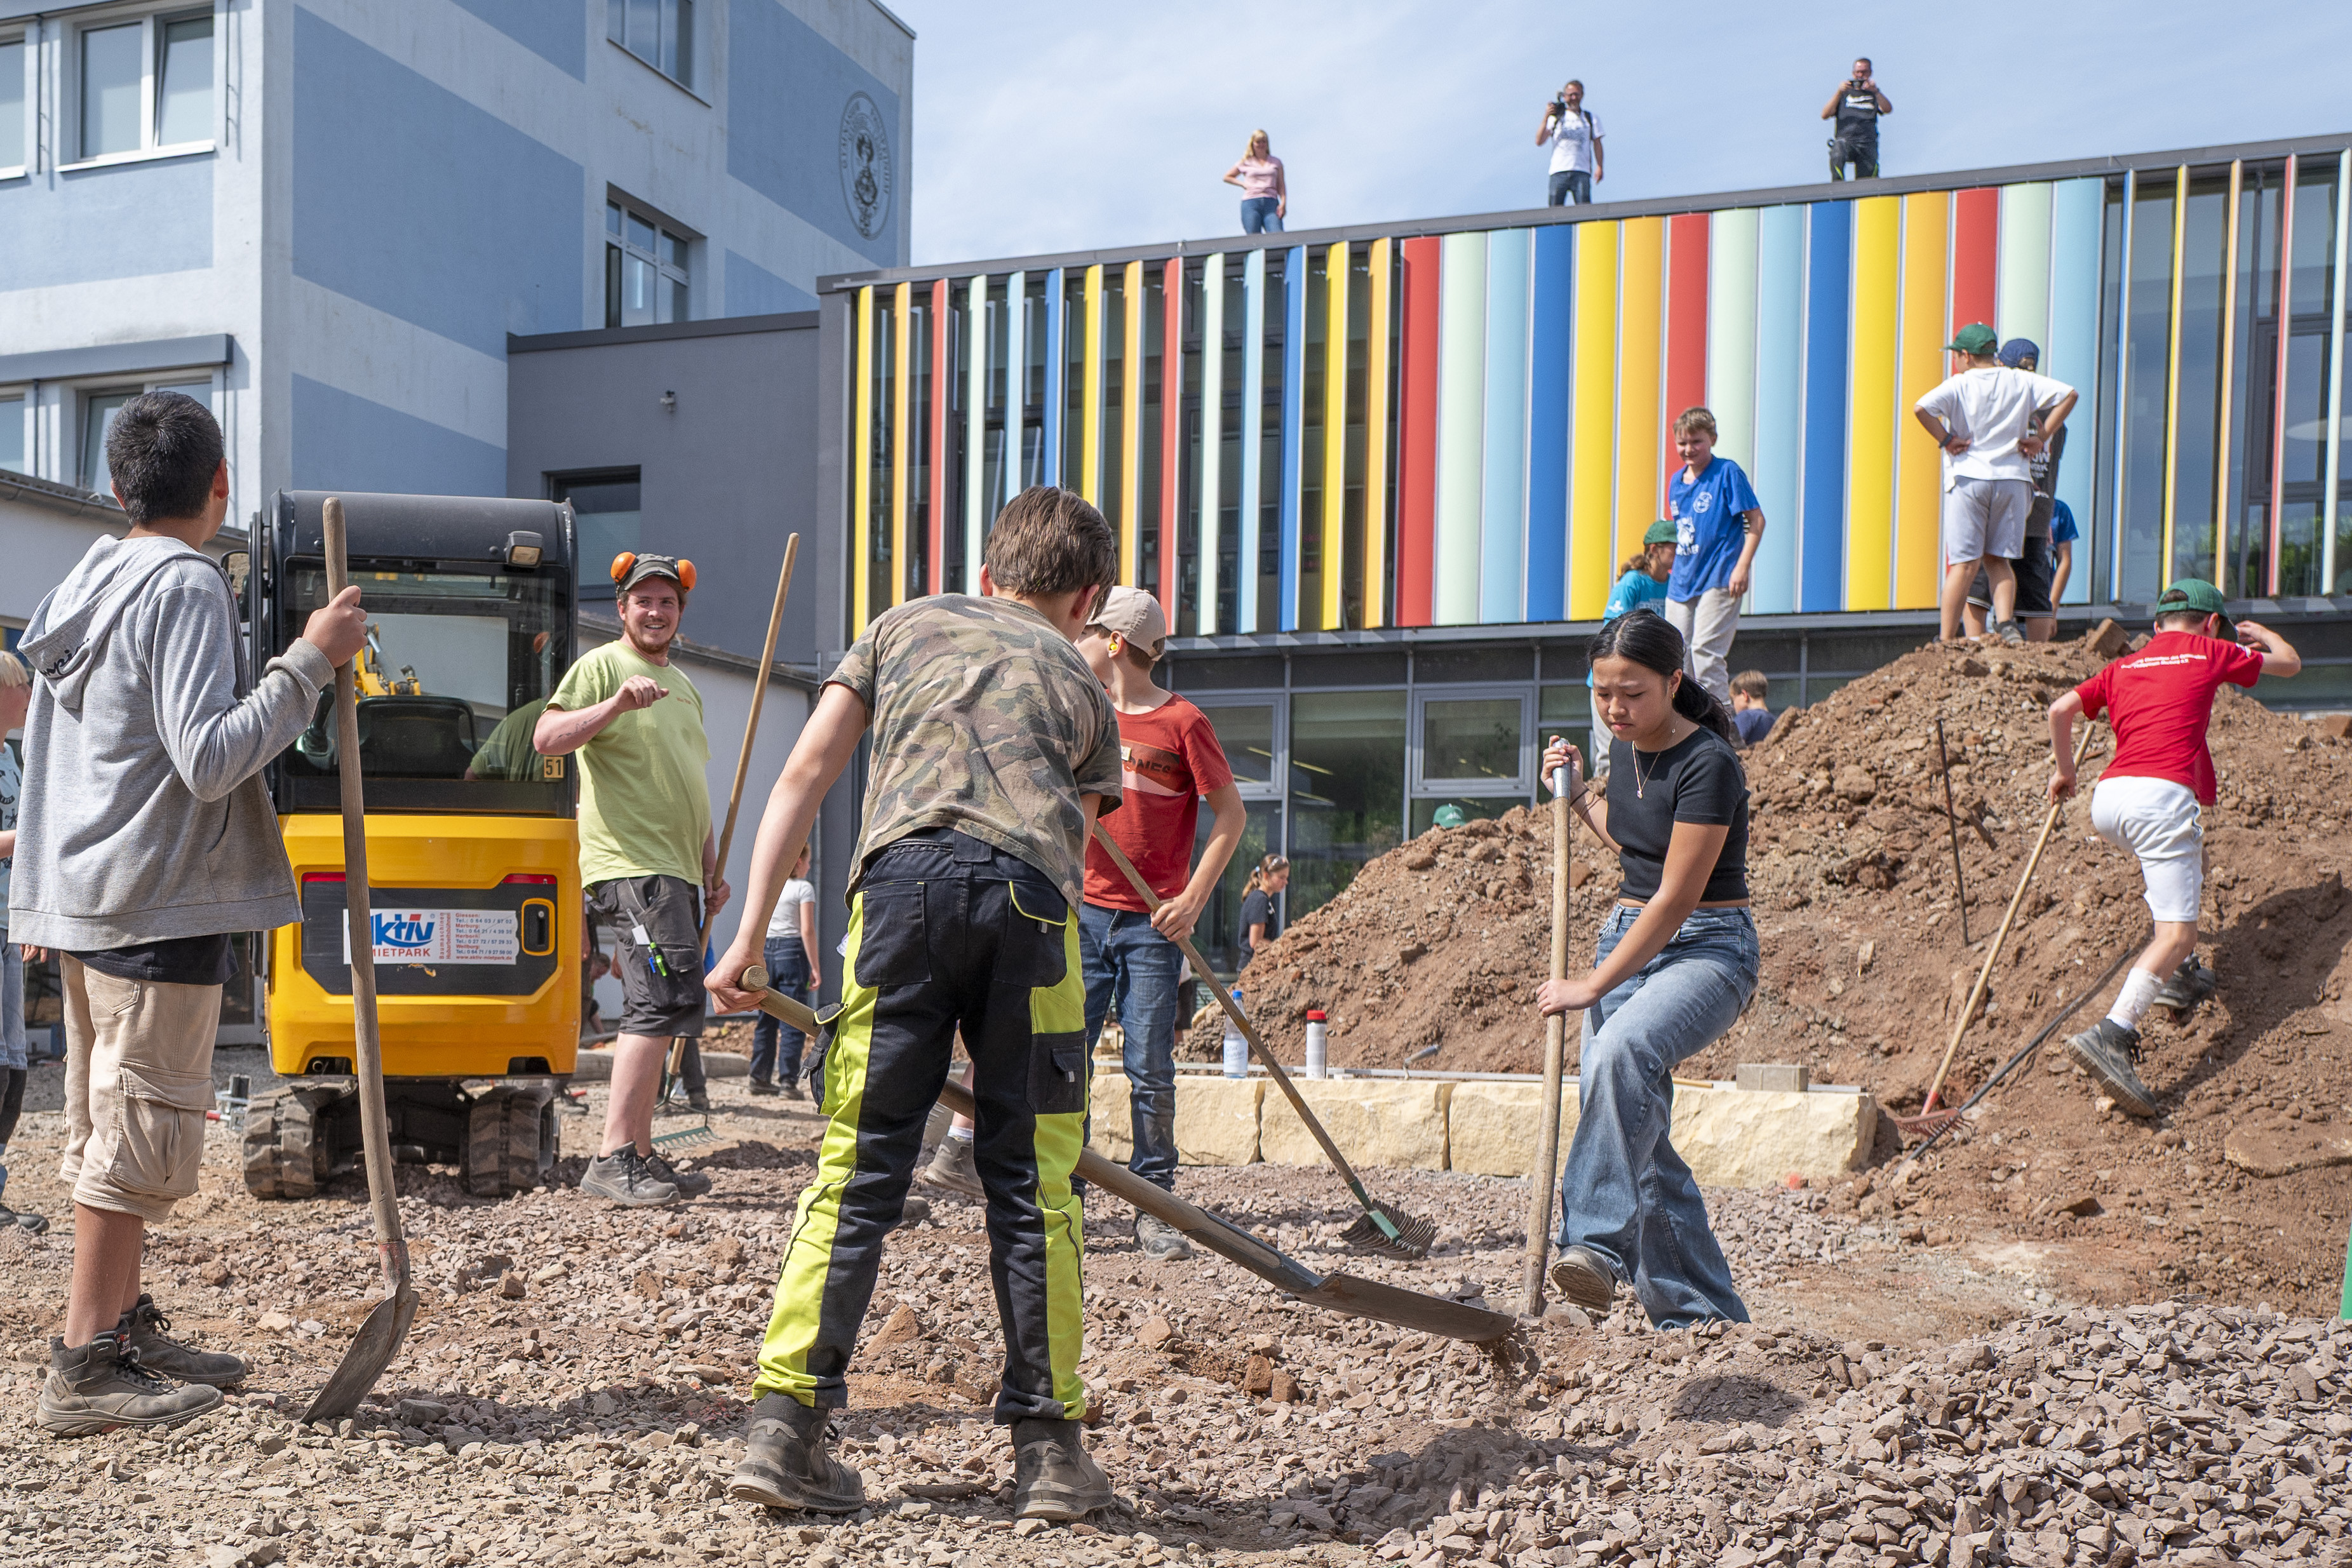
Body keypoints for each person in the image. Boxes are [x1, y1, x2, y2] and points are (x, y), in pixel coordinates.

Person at [705, 485, 1124, 1522]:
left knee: (857, 1162)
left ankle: (783, 1425)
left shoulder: (901, 624)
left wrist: (750, 933)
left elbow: (805, 768)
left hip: (897, 891)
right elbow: (1079, 837)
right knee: (1036, 1183)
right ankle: (1050, 1452)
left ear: (987, 575)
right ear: (1090, 596)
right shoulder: (1082, 675)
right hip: (1029, 899)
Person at [11, 391, 367, 1436]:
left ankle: (121, 1323)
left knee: (100, 1120)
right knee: (137, 1130)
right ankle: (87, 1362)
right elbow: (210, 757)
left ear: (119, 489)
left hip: (88, 893)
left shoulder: (88, 576)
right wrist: (310, 659)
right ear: (219, 487)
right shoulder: (183, 584)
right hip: (155, 894)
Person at [1534, 609, 1754, 1327]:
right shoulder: (1621, 752)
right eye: (1602, 693)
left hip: (1708, 945)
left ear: (1672, 681)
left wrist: (1591, 987)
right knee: (1638, 1133)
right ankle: (1702, 1315)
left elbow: (1678, 894)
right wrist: (1572, 793)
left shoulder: (1709, 764)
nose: (1614, 708)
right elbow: (1632, 842)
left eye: (1631, 692)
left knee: (1623, 1054)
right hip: (1628, 931)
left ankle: (1593, 1245)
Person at [2046, 582, 2300, 1116]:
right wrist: (2261, 634)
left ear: (2158, 625)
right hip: (2160, 798)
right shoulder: (2210, 649)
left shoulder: (2125, 666)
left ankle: (2177, 974)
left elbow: (2060, 708)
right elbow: (2289, 664)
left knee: (2189, 859)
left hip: (2108, 801)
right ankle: (2112, 1033)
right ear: (2209, 624)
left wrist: (2064, 772)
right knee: (2178, 932)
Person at [534, 553, 729, 1207]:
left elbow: (690, 784)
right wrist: (616, 704)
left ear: (680, 612)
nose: (655, 611)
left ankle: (642, 1158)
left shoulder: (687, 688)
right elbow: (548, 738)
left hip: (674, 873)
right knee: (651, 1005)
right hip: (631, 866)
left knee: (671, 1004)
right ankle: (614, 1158)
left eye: (666, 602)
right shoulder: (602, 668)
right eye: (642, 600)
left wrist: (708, 868)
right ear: (621, 609)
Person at [1066, 587, 1245, 1262]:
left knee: (1149, 1066)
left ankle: (1156, 1202)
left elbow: (1230, 817)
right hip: (1082, 914)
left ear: (1114, 642)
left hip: (1152, 924)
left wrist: (1193, 898)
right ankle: (1065, 1195)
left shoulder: (1182, 723)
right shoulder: (1085, 717)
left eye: (1090, 634)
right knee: (1066, 1064)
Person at [1913, 324, 2076, 645]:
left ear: (1966, 356)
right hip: (2012, 481)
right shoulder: (2020, 380)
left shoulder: (1960, 384)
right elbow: (2070, 394)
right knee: (1999, 560)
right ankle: (2006, 625)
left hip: (1971, 478)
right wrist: (2041, 438)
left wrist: (1946, 439)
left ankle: (1945, 640)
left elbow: (1921, 408)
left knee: (1964, 564)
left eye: (1957, 355)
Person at [1963, 338, 2071, 643]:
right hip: (2038, 511)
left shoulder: (2005, 407)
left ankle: (1977, 648)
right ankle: (2038, 655)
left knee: (1983, 578)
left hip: (2002, 504)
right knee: (2035, 584)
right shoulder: (2054, 416)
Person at [1663, 407, 1766, 707]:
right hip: (1682, 582)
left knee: (1706, 651)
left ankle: (1721, 721)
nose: (1688, 449)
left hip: (1720, 575)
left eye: (1696, 442)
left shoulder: (1726, 472)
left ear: (1712, 439)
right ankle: (1691, 718)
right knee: (1676, 656)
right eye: (1682, 443)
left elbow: (1756, 521)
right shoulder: (1676, 481)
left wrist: (1742, 566)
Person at [0, 652, 47, 1236]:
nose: (33, 695)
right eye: (24, 686)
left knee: (11, 1063)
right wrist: (31, 834)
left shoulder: (11, 758)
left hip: (9, 928)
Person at [1590, 521, 1677, 775]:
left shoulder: (1674, 585)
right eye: (1674, 547)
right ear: (1655, 549)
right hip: (1618, 679)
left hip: (1648, 680)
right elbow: (1612, 630)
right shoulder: (1633, 582)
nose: (1680, 553)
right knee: (1610, 750)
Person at [749, 845, 822, 1099]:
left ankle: (759, 1077)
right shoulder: (804, 888)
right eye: (808, 861)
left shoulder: (772, 886)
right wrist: (814, 966)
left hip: (767, 952)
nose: (810, 866)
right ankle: (788, 1083)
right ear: (799, 861)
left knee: (766, 1019)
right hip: (792, 953)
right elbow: (807, 930)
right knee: (792, 1020)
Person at [1536, 80, 1605, 206]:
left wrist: (1600, 166)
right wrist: (1546, 116)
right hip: (1559, 171)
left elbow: (1597, 143)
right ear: (1565, 96)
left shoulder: (1590, 118)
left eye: (1577, 95)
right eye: (1571, 94)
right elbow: (1539, 141)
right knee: (1554, 213)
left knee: (1584, 210)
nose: (1574, 98)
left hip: (1581, 170)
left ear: (1582, 95)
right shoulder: (1556, 118)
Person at [1820, 58, 1891, 180]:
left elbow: (1887, 109)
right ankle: (1838, 186)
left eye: (1864, 72)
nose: (1860, 75)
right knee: (1838, 150)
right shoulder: (1843, 95)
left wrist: (1876, 91)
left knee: (1868, 181)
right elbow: (1825, 115)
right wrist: (1839, 92)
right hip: (1846, 140)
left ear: (1870, 73)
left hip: (1867, 143)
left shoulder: (1873, 95)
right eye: (1857, 72)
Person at [1223, 131, 1286, 235]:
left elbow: (1281, 185)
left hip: (1271, 202)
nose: (1261, 145)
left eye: (1264, 142)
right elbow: (1227, 177)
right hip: (1251, 202)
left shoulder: (1276, 162)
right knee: (1253, 237)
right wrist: (1243, 184)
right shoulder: (1246, 161)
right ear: (1253, 144)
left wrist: (1283, 203)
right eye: (1258, 142)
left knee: (1277, 234)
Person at [1236, 854, 1289, 968]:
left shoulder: (1262, 899)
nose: (1286, 882)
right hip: (1252, 967)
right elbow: (1256, 942)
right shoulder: (1260, 900)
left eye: (1286, 878)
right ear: (1266, 876)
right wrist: (1283, 947)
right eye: (1281, 877)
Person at [1730, 671, 1775, 747]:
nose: (1733, 706)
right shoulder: (1772, 719)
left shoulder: (1745, 716)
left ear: (1744, 695)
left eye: (1733, 699)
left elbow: (1734, 746)